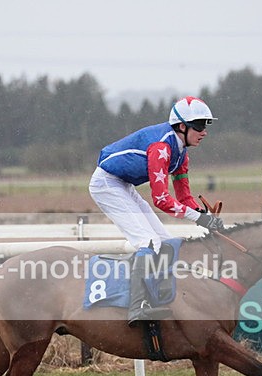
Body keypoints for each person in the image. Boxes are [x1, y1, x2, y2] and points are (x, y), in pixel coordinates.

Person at [89, 96, 225, 326]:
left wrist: (204, 216)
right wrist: (200, 219)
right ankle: (136, 306)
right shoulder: (161, 148)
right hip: (106, 184)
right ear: (182, 126)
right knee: (148, 242)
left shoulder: (181, 153)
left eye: (206, 125)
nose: (204, 132)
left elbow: (184, 197)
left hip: (123, 184)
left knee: (165, 241)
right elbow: (161, 199)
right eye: (200, 125)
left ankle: (160, 298)